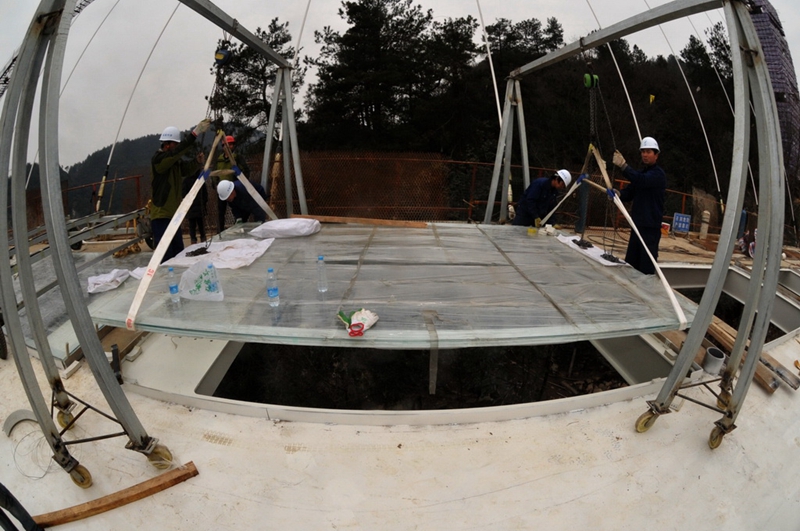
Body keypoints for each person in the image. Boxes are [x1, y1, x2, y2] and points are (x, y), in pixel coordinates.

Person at [150, 119, 209, 262]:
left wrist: (196, 162)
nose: (177, 148)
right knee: (165, 256)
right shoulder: (159, 160)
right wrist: (194, 134)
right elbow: (176, 153)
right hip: (161, 216)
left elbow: (186, 170)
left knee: (178, 254)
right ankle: (166, 281)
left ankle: (177, 281)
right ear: (167, 144)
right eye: (175, 145)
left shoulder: (174, 162)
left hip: (173, 216)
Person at [612, 136, 666, 275]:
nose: (645, 155)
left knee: (646, 267)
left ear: (656, 155)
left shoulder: (658, 175)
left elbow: (640, 181)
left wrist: (624, 166)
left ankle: (646, 294)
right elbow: (630, 192)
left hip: (650, 229)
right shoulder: (642, 173)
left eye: (648, 152)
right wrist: (618, 194)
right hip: (637, 226)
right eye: (643, 151)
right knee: (631, 263)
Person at [213, 135, 251, 233]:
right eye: (226, 145)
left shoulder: (237, 158)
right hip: (222, 189)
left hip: (233, 189)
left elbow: (246, 171)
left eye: (230, 145)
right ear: (223, 146)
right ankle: (220, 231)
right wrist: (215, 185)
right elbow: (215, 173)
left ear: (233, 146)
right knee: (221, 212)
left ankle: (239, 228)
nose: (228, 147)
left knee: (237, 209)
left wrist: (240, 182)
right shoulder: (219, 159)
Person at [182, 169, 209, 244]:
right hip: (199, 205)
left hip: (191, 206)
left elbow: (183, 193)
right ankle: (203, 238)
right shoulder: (200, 179)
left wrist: (187, 202)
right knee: (201, 224)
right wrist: (204, 202)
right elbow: (205, 193)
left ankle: (193, 239)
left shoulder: (186, 180)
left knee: (192, 225)